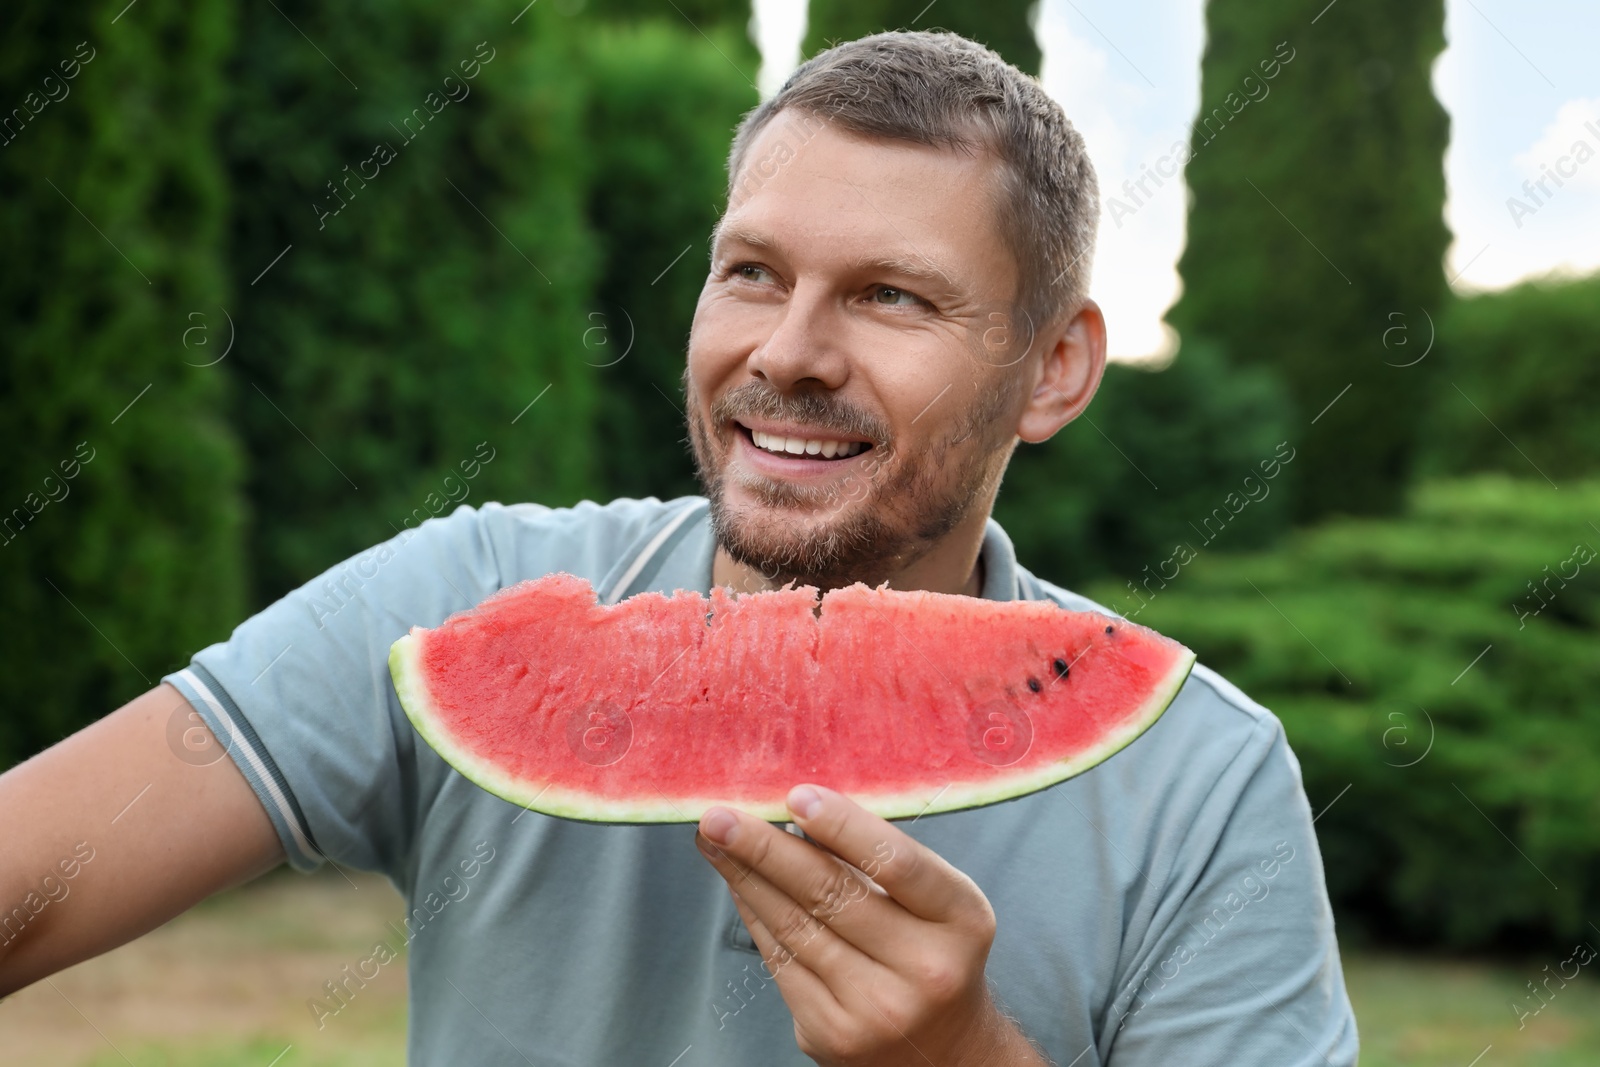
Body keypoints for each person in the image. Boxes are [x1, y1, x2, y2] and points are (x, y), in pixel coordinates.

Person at [0, 29, 1359, 1066]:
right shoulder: (461, 603)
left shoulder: (1199, 782)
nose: (787, 353)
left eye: (891, 296)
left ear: (1055, 369)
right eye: (754, 272)